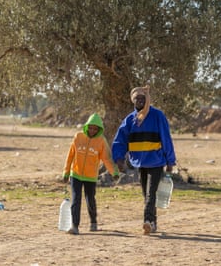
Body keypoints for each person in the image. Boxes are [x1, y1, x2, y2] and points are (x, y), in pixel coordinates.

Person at [112, 85, 176, 235]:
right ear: (133, 101)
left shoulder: (157, 116)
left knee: (150, 193)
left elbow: (166, 139)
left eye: (143, 98)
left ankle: (147, 221)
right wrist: (119, 158)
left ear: (147, 100)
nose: (140, 101)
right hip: (139, 162)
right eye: (137, 99)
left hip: (156, 161)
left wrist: (170, 161)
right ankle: (153, 223)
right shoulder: (129, 120)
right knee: (145, 194)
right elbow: (120, 140)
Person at [62, 113, 119, 235]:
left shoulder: (101, 141)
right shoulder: (78, 137)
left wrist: (113, 171)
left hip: (90, 177)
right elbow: (70, 155)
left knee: (90, 199)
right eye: (91, 127)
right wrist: (66, 172)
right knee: (76, 199)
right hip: (75, 174)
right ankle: (75, 226)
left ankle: (93, 221)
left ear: (99, 129)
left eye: (95, 129)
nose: (92, 130)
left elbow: (106, 159)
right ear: (87, 126)